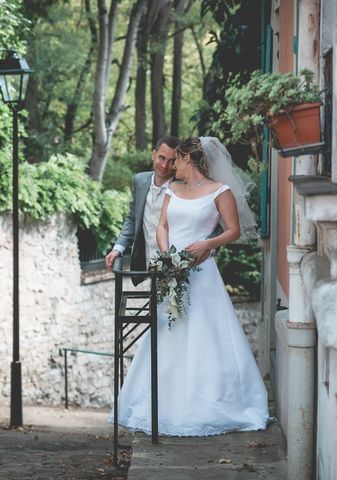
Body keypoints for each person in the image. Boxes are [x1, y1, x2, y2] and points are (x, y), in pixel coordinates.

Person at [115, 137, 268, 436]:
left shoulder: (220, 192)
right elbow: (162, 226)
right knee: (168, 334)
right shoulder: (173, 189)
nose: (172, 165)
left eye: (177, 160)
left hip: (202, 273)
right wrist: (166, 255)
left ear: (189, 159)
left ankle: (207, 403)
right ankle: (163, 402)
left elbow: (233, 230)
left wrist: (207, 244)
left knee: (204, 336)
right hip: (171, 271)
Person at [104, 136, 214, 278]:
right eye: (161, 158)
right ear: (153, 154)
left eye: (171, 161)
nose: (165, 165)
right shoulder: (139, 180)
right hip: (150, 263)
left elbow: (211, 222)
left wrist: (208, 249)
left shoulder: (185, 186)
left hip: (181, 264)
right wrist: (117, 249)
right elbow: (132, 219)